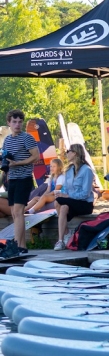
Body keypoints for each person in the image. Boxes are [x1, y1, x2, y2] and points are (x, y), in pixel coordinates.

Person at [1, 109, 39, 254]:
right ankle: (22, 246)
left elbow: (36, 156)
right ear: (9, 123)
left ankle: (17, 245)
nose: (17, 124)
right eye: (14, 122)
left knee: (18, 211)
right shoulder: (8, 140)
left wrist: (19, 163)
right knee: (14, 213)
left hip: (24, 178)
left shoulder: (27, 137)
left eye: (20, 122)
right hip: (12, 179)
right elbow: (6, 158)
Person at [52, 144, 94, 251]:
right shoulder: (69, 170)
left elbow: (86, 193)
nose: (67, 153)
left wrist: (67, 196)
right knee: (62, 206)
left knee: (58, 201)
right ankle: (62, 239)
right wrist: (62, 194)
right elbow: (65, 188)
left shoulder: (86, 170)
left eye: (68, 151)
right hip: (72, 201)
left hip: (84, 203)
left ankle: (65, 235)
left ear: (75, 153)